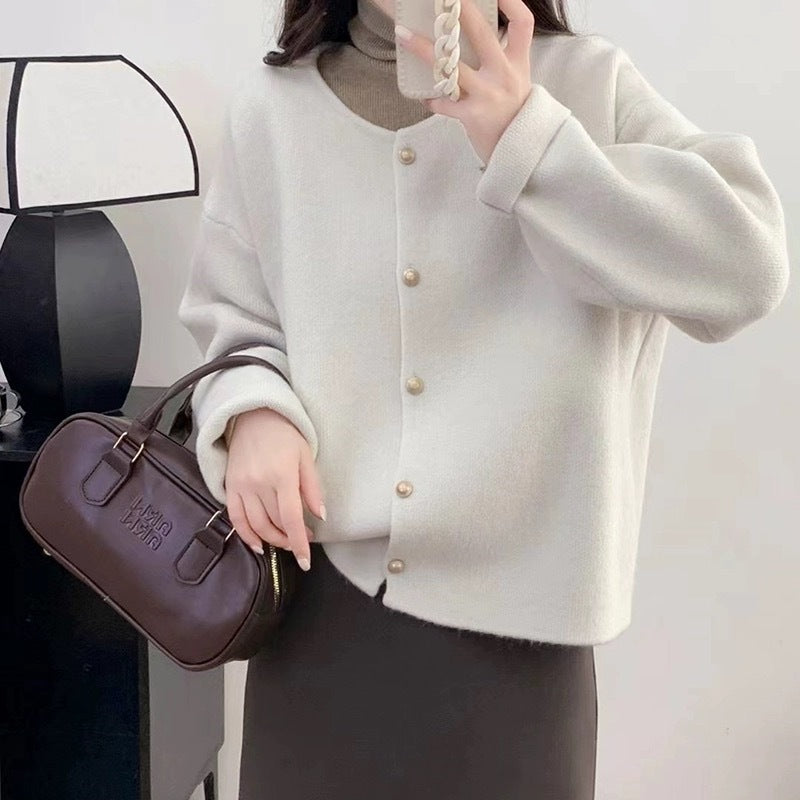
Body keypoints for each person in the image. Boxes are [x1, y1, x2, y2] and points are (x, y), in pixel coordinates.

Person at [176, 0, 790, 796]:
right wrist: (254, 411)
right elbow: (233, 319)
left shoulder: (586, 84)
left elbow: (747, 269)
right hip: (319, 612)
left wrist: (529, 138)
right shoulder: (272, 109)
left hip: (525, 643)